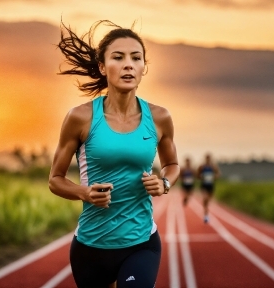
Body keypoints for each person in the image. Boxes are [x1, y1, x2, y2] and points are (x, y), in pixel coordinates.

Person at [49, 19, 180, 288]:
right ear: (102, 66)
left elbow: (172, 164)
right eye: (118, 57)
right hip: (91, 246)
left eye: (136, 58)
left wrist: (164, 183)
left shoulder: (159, 117)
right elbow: (55, 179)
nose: (128, 64)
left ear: (144, 67)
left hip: (141, 243)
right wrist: (84, 193)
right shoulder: (81, 118)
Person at [197, 153, 221, 223]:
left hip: (211, 185)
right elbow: (197, 175)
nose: (208, 159)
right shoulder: (202, 166)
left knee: (208, 201)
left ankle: (206, 209)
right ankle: (206, 215)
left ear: (210, 159)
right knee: (205, 198)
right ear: (205, 158)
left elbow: (218, 174)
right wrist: (201, 176)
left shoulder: (213, 166)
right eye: (207, 158)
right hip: (204, 185)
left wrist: (214, 176)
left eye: (209, 158)